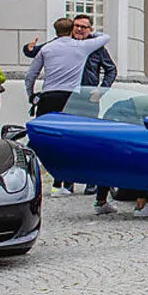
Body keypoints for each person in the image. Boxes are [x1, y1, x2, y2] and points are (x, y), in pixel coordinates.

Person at [25, 17, 112, 195]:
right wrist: (27, 49)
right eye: (76, 26)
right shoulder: (79, 47)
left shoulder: (92, 47)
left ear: (89, 29)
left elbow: (31, 73)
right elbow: (33, 51)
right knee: (66, 139)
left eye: (83, 27)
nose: (79, 29)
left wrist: (102, 90)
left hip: (84, 98)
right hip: (72, 97)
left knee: (81, 139)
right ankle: (62, 182)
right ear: (71, 29)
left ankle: (83, 182)